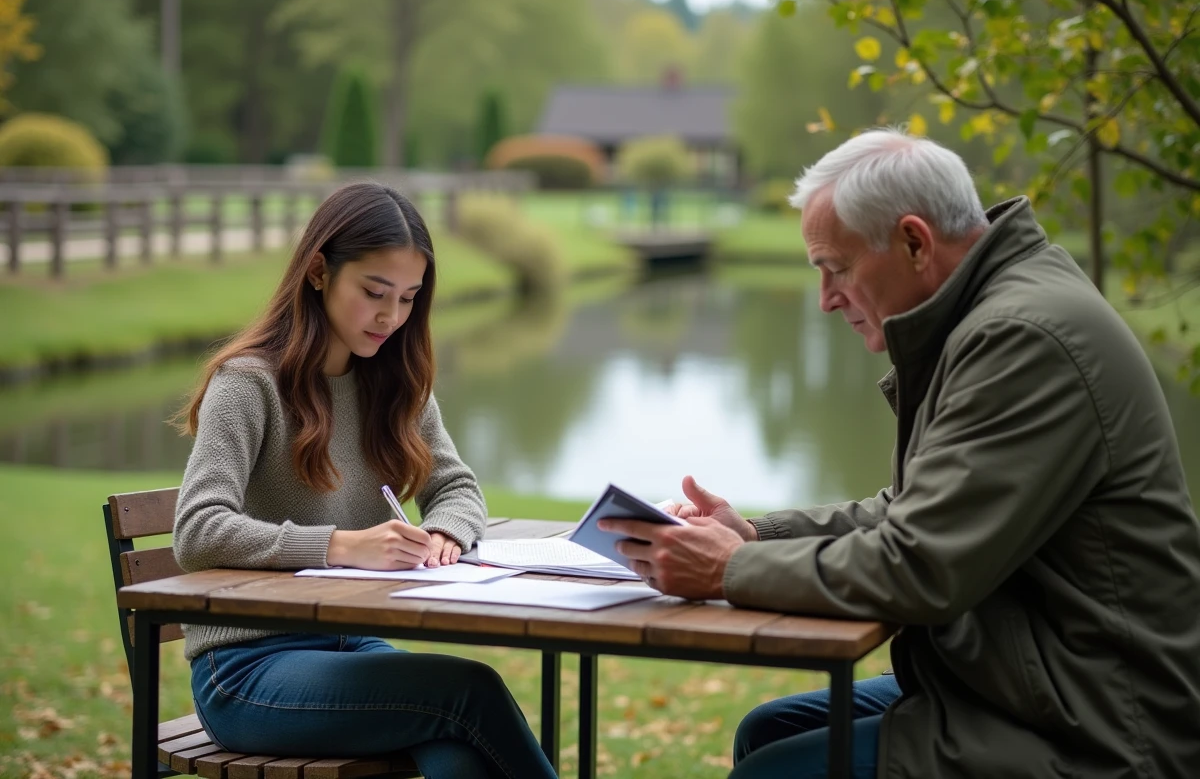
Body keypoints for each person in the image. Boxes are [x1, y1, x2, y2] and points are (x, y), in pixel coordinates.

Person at [601, 130, 1200, 778]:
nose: (827, 299)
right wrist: (755, 535)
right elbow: (914, 511)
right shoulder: (989, 313)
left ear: (915, 242)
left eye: (837, 268)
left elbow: (922, 566)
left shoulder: (1022, 338)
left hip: (1102, 726)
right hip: (1033, 686)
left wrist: (729, 569)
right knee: (768, 729)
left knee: (771, 772)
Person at [172, 183, 557, 779]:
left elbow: (456, 487)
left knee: (460, 750)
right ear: (320, 272)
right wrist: (340, 546)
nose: (391, 317)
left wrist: (444, 534)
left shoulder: (394, 383)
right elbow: (197, 529)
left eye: (407, 298)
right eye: (374, 292)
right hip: (247, 668)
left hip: (350, 644)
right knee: (467, 690)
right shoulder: (248, 385)